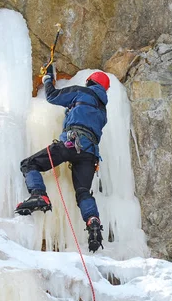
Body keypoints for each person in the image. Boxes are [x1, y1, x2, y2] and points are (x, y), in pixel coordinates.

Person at [15, 65, 110, 252]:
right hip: (90, 155)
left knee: (29, 164)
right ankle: (93, 221)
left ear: (90, 82)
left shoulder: (81, 92)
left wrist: (48, 77)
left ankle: (39, 195)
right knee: (83, 192)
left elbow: (52, 96)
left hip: (71, 144)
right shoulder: (103, 110)